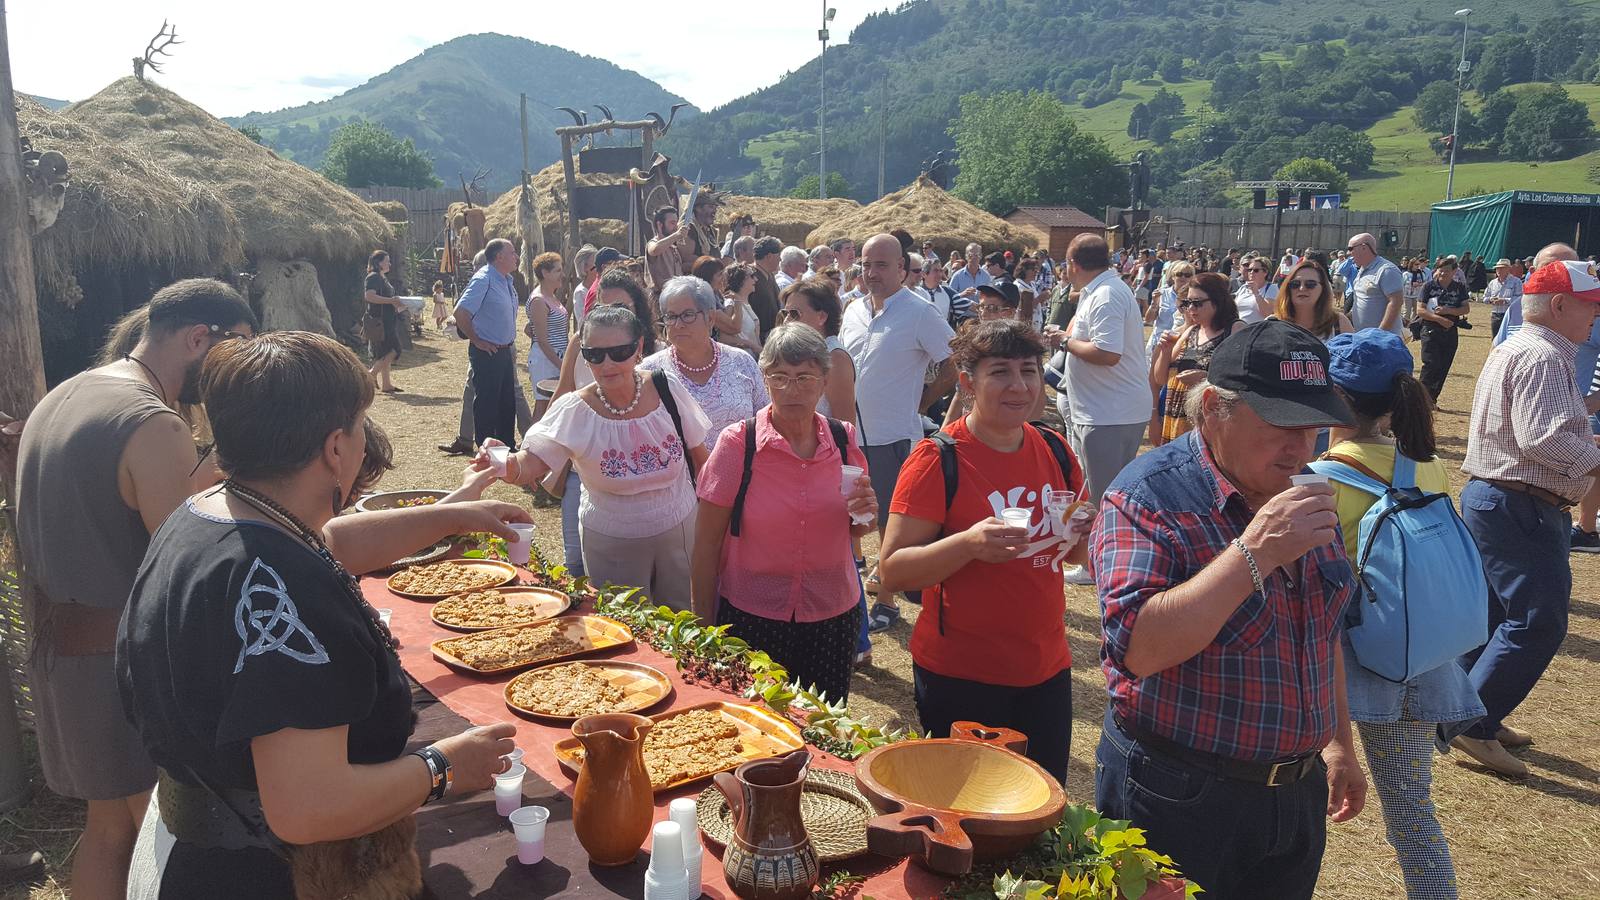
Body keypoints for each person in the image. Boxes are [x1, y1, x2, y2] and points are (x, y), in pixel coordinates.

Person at [117, 331, 524, 898]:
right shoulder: (281, 582)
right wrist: (444, 766)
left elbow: (332, 540)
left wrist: (452, 516)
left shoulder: (210, 514)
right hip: (270, 877)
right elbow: (307, 809)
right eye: (360, 426)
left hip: (199, 845)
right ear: (336, 448)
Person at [1093, 320, 1367, 900]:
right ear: (1213, 407)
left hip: (1295, 791)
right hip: (1180, 791)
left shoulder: (1300, 485)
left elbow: (1321, 628)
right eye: (1279, 426)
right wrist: (1256, 552)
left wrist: (1338, 741)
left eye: (1314, 426)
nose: (1302, 447)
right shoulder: (1147, 497)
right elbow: (1138, 648)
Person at [15, 279, 257, 900]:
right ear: (199, 338)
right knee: (163, 845)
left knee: (108, 832)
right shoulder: (153, 425)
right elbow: (192, 561)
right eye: (238, 350)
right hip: (120, 667)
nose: (239, 369)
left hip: (64, 658)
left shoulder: (69, 392)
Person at [879, 320, 1091, 783]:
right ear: (967, 382)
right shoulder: (939, 458)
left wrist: (1084, 530)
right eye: (1000, 372)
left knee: (1040, 802)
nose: (1019, 386)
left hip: (1045, 667)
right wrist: (969, 543)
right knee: (971, 811)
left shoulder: (1055, 450)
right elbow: (892, 571)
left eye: (1029, 371)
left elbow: (1073, 559)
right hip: (963, 675)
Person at [1320, 328, 1484, 900]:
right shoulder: (1429, 466)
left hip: (1337, 663)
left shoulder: (1320, 480)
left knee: (1293, 804)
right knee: (1412, 811)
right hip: (1414, 656)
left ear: (1335, 398)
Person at [1455, 259, 1600, 777]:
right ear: (1560, 305)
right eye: (1591, 306)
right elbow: (1543, 438)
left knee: (1495, 617)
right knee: (1537, 621)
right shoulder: (1545, 356)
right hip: (1522, 504)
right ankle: (1473, 723)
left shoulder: (1518, 345)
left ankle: (1466, 714)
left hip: (1501, 500)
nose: (1595, 318)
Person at [691, 325, 877, 701]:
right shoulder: (738, 445)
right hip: (753, 616)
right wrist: (703, 629)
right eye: (780, 377)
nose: (792, 390)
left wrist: (867, 514)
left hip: (831, 617)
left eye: (805, 377)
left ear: (824, 380)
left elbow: (858, 529)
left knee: (823, 731)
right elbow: (705, 547)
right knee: (756, 729)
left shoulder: (843, 440)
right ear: (765, 379)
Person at [493, 304, 711, 609]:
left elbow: (701, 459)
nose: (607, 363)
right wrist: (500, 461)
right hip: (613, 543)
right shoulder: (575, 409)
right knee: (628, 625)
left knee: (687, 621)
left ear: (638, 348)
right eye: (595, 354)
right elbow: (529, 465)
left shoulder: (666, 387)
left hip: (680, 532)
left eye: (619, 352)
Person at [841, 233, 957, 632]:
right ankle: (855, 591)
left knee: (891, 521)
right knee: (851, 516)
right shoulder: (853, 309)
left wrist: (922, 403)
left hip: (892, 436)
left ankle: (887, 603)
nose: (871, 272)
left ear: (903, 270)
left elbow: (953, 361)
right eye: (866, 264)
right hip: (848, 434)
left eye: (881, 265)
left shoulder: (920, 311)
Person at [1060, 233, 1149, 504]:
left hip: (1109, 414)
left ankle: (1102, 547)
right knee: (1094, 498)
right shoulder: (1101, 290)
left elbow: (1108, 353)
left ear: (1073, 263)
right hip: (1103, 411)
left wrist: (1064, 341)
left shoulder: (1106, 294)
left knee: (1104, 504)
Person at [641, 275, 769, 451]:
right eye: (670, 316)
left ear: (710, 318)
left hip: (741, 474)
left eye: (688, 315)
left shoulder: (742, 362)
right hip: (680, 477)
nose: (678, 325)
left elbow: (765, 422)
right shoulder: (648, 371)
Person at [1149, 272, 1244, 446]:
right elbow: (1161, 379)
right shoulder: (1190, 331)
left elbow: (1243, 380)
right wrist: (1165, 350)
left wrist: (1205, 379)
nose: (1191, 309)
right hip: (1178, 421)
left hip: (1212, 424)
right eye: (1187, 303)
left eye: (1197, 303)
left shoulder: (1235, 330)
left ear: (1217, 301)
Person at [454, 238, 522, 449]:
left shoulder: (506, 280)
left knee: (506, 402)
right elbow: (460, 312)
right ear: (499, 256)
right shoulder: (484, 279)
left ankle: (506, 447)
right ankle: (486, 450)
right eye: (512, 253)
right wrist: (477, 341)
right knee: (487, 403)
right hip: (487, 352)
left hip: (504, 350)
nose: (516, 257)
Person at [780, 279, 856, 428]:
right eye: (785, 313)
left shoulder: (835, 358)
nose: (787, 320)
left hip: (826, 449)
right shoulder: (803, 351)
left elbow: (845, 427)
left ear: (821, 317)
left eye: (794, 313)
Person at [1415, 257, 1472, 405]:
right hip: (1430, 329)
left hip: (1450, 331)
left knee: (1444, 366)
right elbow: (1420, 310)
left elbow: (1466, 308)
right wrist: (1439, 319)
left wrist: (1449, 311)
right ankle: (1421, 400)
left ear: (1454, 271)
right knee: (1431, 364)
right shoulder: (1429, 286)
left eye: (1446, 271)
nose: (1442, 274)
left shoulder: (1459, 288)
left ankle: (1432, 399)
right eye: (1440, 270)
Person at [525, 251, 569, 423]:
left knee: (553, 404)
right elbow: (542, 341)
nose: (562, 275)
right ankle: (531, 446)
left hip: (556, 356)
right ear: (545, 273)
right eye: (558, 271)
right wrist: (562, 365)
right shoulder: (538, 300)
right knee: (543, 405)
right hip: (545, 359)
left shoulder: (551, 297)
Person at [1275, 259, 1352, 341]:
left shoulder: (1339, 323)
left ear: (1323, 288)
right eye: (1295, 284)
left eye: (1310, 284)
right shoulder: (1273, 323)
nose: (1302, 288)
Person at [1347, 232, 1405, 336]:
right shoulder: (1362, 270)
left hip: (1383, 341)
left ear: (1364, 247)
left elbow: (1396, 302)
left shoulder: (1386, 270)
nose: (1348, 253)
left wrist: (1379, 334)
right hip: (1364, 337)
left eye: (1351, 249)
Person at [363, 251, 404, 393]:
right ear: (379, 263)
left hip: (388, 319)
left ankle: (386, 385)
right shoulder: (373, 277)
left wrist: (397, 304)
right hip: (380, 321)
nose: (389, 263)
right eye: (387, 261)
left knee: (385, 352)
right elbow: (369, 296)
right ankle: (370, 375)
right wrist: (390, 301)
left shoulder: (382, 277)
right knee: (394, 350)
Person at [1143, 260, 1192, 358]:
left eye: (1187, 275)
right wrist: (1154, 304)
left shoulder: (1194, 297)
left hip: (1181, 345)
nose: (1183, 277)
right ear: (1173, 276)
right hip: (1159, 342)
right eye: (1179, 274)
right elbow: (1148, 320)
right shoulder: (1162, 293)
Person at [720, 262, 764, 355]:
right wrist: (750, 344)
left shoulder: (746, 303)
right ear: (740, 280)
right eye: (752, 276)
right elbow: (723, 339)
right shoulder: (730, 303)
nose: (756, 279)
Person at [646, 206, 691, 293]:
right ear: (660, 225)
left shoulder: (673, 247)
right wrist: (676, 235)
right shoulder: (653, 243)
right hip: (660, 296)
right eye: (672, 223)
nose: (676, 227)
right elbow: (654, 250)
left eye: (676, 223)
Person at [750, 236, 784, 339]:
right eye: (779, 255)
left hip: (772, 335)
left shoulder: (770, 275)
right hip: (757, 338)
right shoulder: (749, 276)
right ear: (769, 256)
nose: (780, 259)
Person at [1232, 256, 1277, 324]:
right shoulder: (1243, 288)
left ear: (1265, 272)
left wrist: (1256, 293)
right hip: (1240, 330)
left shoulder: (1272, 288)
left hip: (1258, 331)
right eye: (1250, 270)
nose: (1251, 272)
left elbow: (1267, 313)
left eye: (1256, 270)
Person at [1484, 258, 1521, 338]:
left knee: (1509, 339)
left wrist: (1504, 301)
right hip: (1495, 315)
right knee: (1495, 338)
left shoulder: (1516, 282)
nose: (1498, 270)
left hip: (1510, 315)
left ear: (1508, 269)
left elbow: (1519, 299)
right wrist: (1491, 300)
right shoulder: (1493, 283)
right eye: (1497, 268)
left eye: (1501, 268)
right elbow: (1485, 298)